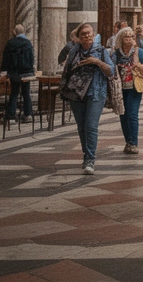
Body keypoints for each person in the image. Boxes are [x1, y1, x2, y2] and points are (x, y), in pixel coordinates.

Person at [60, 23, 115, 175]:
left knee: (91, 126)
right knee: (82, 127)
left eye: (89, 33)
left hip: (95, 93)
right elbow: (66, 70)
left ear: (93, 34)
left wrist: (96, 62)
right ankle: (86, 155)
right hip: (76, 93)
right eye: (83, 34)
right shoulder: (73, 51)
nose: (87, 36)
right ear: (78, 36)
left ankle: (91, 158)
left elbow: (111, 71)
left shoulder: (101, 51)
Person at [112, 26, 143, 154]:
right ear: (121, 38)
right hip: (121, 87)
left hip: (134, 87)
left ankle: (134, 142)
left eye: (131, 36)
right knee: (123, 114)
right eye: (127, 36)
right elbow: (111, 68)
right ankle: (128, 141)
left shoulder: (138, 52)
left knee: (132, 114)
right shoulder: (116, 54)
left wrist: (137, 65)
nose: (129, 39)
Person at [0, 23, 35, 122]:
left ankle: (11, 116)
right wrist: (31, 69)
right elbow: (31, 58)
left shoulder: (11, 43)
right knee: (26, 93)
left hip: (14, 72)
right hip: (26, 72)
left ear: (14, 32)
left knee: (14, 93)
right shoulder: (28, 43)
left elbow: (6, 58)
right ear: (23, 32)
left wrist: (4, 72)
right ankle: (28, 115)